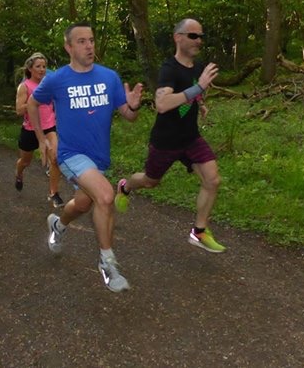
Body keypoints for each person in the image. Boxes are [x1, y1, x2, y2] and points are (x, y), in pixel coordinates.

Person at [27, 22, 143, 293]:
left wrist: (134, 106)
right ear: (68, 47)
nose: (89, 46)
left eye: (91, 40)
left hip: (98, 157)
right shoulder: (57, 79)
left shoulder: (109, 77)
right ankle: (107, 262)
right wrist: (42, 139)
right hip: (70, 153)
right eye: (81, 41)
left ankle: (58, 225)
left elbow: (128, 116)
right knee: (105, 196)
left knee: (82, 204)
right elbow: (33, 103)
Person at [114, 18, 226, 253]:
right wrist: (199, 88)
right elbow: (163, 104)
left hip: (191, 138)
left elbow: (191, 92)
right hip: (166, 141)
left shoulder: (198, 67)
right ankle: (125, 186)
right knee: (150, 181)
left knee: (212, 180)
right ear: (178, 38)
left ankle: (199, 231)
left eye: (201, 36)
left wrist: (200, 103)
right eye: (193, 36)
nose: (199, 41)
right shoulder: (169, 69)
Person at [15, 52, 64, 208]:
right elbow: (19, 110)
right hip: (30, 130)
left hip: (49, 127)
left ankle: (53, 193)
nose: (42, 69)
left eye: (44, 66)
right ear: (30, 69)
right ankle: (19, 173)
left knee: (55, 159)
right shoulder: (24, 86)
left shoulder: (49, 85)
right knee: (25, 161)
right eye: (38, 66)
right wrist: (34, 101)